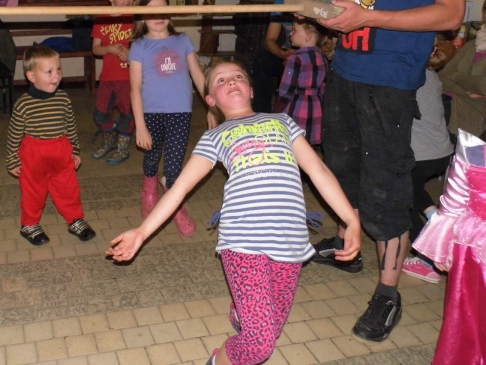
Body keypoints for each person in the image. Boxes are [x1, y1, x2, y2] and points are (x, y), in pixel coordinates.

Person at [313, 0, 466, 343]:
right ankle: (349, 247)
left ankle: (388, 292)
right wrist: (318, 3)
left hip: (390, 80)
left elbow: (451, 12)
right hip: (347, 70)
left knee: (387, 188)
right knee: (343, 170)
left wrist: (369, 19)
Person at [107, 59, 361, 365]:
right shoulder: (214, 136)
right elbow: (179, 188)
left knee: (273, 328)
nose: (230, 81)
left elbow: (318, 170)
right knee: (259, 345)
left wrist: (350, 219)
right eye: (220, 80)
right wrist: (142, 231)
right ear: (211, 100)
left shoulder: (282, 122)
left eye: (238, 76)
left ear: (251, 90)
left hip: (291, 242)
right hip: (242, 242)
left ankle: (242, 311)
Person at [129, 0, 206, 236]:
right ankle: (149, 190)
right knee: (151, 158)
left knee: (174, 167)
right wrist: (140, 126)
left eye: (162, 9)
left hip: (180, 113)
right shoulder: (139, 46)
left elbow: (198, 76)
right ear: (142, 17)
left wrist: (213, 106)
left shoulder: (183, 41)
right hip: (150, 114)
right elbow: (134, 88)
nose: (158, 16)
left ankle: (175, 205)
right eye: (151, 11)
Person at [6, 45, 96, 246]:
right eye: (49, 72)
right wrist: (12, 160)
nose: (56, 76)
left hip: (61, 150)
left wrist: (75, 151)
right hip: (34, 154)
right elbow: (14, 135)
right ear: (31, 76)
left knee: (68, 188)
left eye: (58, 69)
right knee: (33, 191)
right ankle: (29, 224)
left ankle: (75, 219)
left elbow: (70, 126)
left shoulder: (63, 98)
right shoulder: (23, 104)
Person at [412, 129, 486, 364]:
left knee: (470, 316)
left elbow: (453, 206)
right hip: (473, 249)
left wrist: (442, 250)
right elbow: (452, 206)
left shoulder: (474, 152)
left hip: (473, 246)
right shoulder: (473, 153)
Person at [401, 44, 454, 284]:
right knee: (413, 191)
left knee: (402, 202)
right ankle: (434, 217)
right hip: (441, 151)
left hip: (421, 153)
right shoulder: (431, 74)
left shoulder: (409, 76)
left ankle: (428, 259)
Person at [251, 0, 315, 113]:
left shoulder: (318, 5)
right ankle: (262, 115)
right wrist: (282, 54)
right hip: (287, 53)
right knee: (261, 60)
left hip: (312, 57)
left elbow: (325, 44)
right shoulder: (280, 3)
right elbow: (269, 40)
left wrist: (298, 57)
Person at [91, 0, 135, 164]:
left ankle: (123, 147)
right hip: (107, 78)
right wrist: (108, 48)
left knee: (128, 113)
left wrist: (130, 52)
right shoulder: (102, 18)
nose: (128, 0)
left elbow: (144, 45)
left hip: (128, 78)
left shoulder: (134, 17)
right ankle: (109, 141)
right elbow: (95, 49)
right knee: (101, 112)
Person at [438, 0, 486, 139]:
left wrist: (455, 76)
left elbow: (483, 86)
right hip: (449, 103)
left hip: (473, 114)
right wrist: (467, 92)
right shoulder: (472, 45)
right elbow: (442, 76)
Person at [276, 18, 329, 146]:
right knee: (308, 141)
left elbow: (286, 88)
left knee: (294, 139)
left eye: (294, 30)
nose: (290, 33)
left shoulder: (295, 59)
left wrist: (278, 108)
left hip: (297, 106)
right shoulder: (322, 58)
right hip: (316, 106)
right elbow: (324, 85)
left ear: (308, 36)